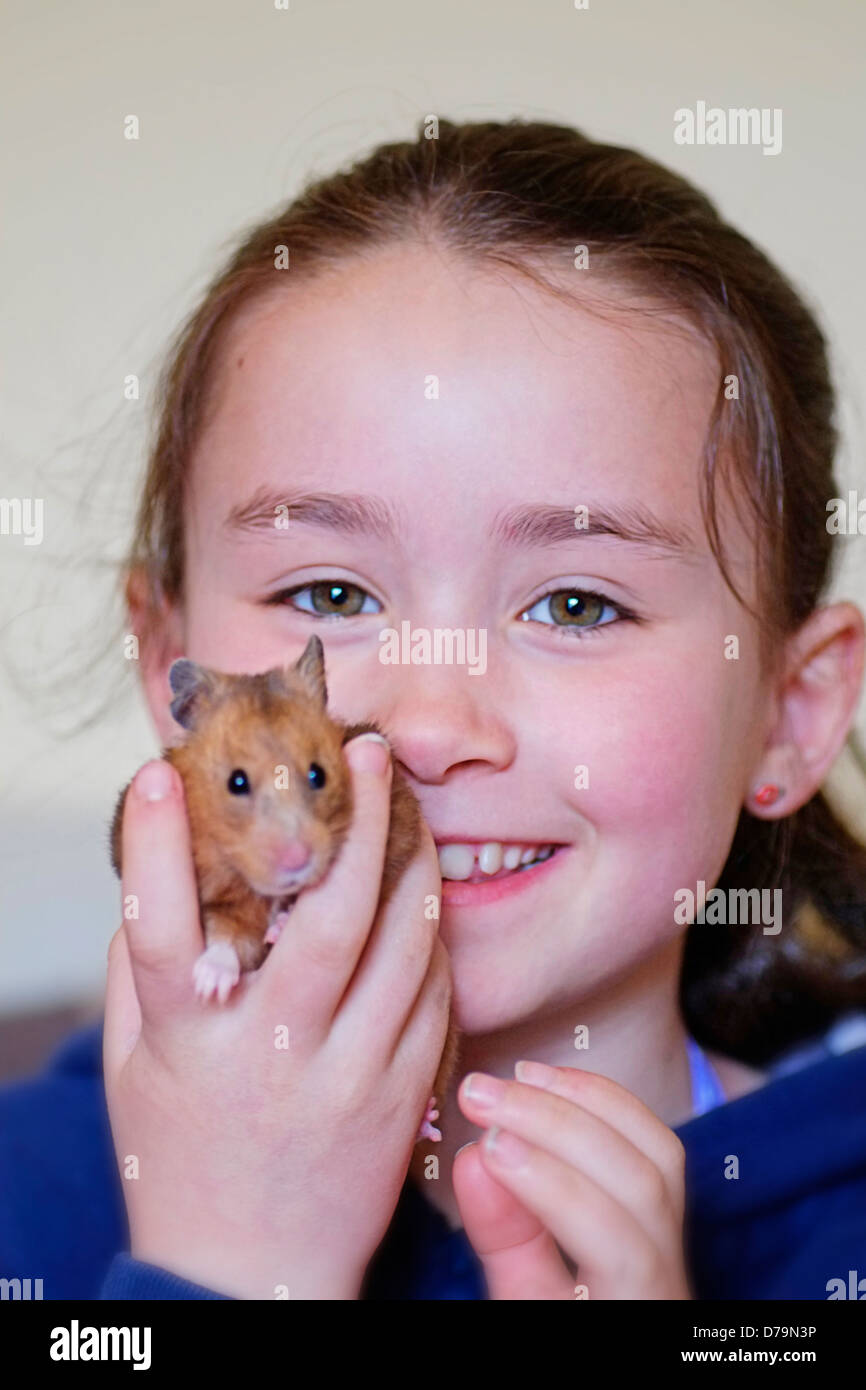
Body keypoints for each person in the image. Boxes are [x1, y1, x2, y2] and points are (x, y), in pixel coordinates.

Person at [3, 117, 866, 1301]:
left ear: (791, 713)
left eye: (573, 604)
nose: (424, 726)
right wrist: (232, 1276)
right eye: (330, 592)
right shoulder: (26, 1200)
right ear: (178, 685)